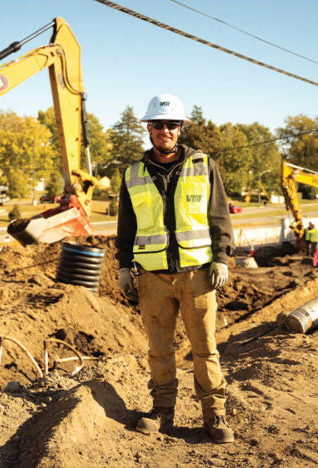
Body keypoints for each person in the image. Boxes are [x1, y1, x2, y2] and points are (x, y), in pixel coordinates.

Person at [116, 93, 235, 444]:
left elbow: (219, 216)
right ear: (148, 129)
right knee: (159, 350)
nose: (164, 131)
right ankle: (162, 411)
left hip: (196, 275)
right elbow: (126, 228)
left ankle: (214, 415)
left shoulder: (203, 164)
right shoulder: (133, 174)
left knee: (204, 348)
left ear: (180, 128)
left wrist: (222, 258)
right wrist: (124, 268)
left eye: (171, 125)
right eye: (157, 125)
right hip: (152, 278)